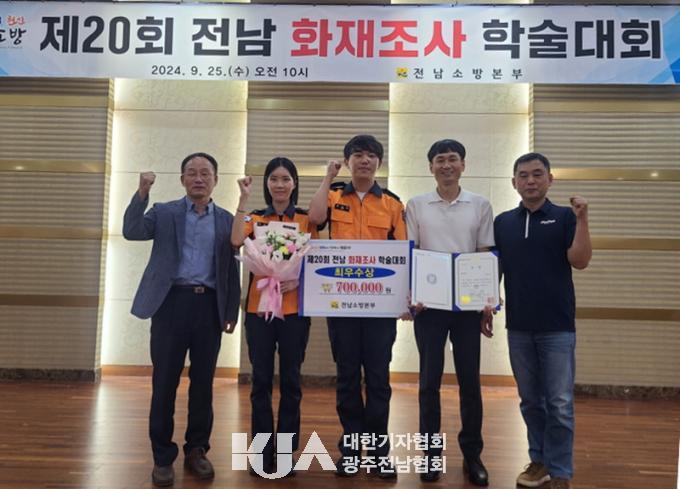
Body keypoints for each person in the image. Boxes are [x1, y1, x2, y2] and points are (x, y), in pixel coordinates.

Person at [122, 152, 241, 487]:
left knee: (203, 384)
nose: (198, 178)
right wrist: (142, 192)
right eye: (191, 173)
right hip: (170, 305)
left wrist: (230, 313)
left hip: (208, 308)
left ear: (216, 180)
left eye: (205, 173)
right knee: (164, 383)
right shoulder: (164, 212)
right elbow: (132, 230)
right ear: (182, 179)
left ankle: (197, 450)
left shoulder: (227, 220)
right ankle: (162, 457)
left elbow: (230, 272)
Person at [308, 134, 407, 479]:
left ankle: (379, 454)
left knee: (378, 379)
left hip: (381, 309)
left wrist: (404, 298)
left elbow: (403, 254)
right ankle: (350, 449)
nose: (365, 160)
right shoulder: (334, 195)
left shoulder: (392, 204)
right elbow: (314, 218)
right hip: (343, 306)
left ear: (379, 162)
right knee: (347, 378)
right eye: (358, 155)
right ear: (347, 161)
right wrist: (327, 177)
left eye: (371, 155)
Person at [490, 152, 591, 489]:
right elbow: (494, 270)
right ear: (514, 182)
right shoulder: (504, 222)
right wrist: (486, 305)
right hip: (518, 326)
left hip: (557, 327)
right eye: (523, 175)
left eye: (537, 174)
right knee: (531, 401)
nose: (530, 181)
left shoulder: (565, 217)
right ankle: (540, 461)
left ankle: (560, 470)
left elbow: (580, 260)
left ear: (550, 179)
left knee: (559, 403)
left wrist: (583, 219)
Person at [405, 139, 494, 486]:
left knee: (470, 382)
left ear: (463, 165)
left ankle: (472, 455)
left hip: (468, 308)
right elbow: (412, 252)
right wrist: (414, 294)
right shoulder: (416, 205)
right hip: (429, 308)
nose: (446, 165)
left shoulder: (480, 204)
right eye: (439, 160)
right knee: (428, 382)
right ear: (431, 167)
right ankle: (430, 455)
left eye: (452, 159)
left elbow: (485, 254)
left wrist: (487, 302)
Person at [231, 157, 317, 477]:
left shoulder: (307, 220)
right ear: (267, 184)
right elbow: (235, 241)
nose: (280, 185)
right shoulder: (254, 217)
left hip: (294, 313)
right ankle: (260, 452)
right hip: (259, 311)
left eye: (285, 179)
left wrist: (299, 280)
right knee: (261, 382)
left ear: (294, 184)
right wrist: (242, 199)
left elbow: (317, 262)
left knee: (291, 382)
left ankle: (284, 453)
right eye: (274, 179)